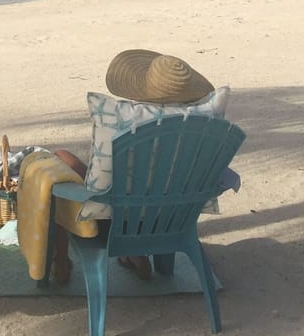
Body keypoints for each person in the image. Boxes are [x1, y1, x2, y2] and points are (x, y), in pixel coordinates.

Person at [52, 48, 221, 283]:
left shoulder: (124, 123)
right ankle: (135, 253)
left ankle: (60, 263)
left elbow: (102, 179)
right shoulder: (202, 128)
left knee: (61, 161)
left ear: (141, 86)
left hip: (115, 224)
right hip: (174, 219)